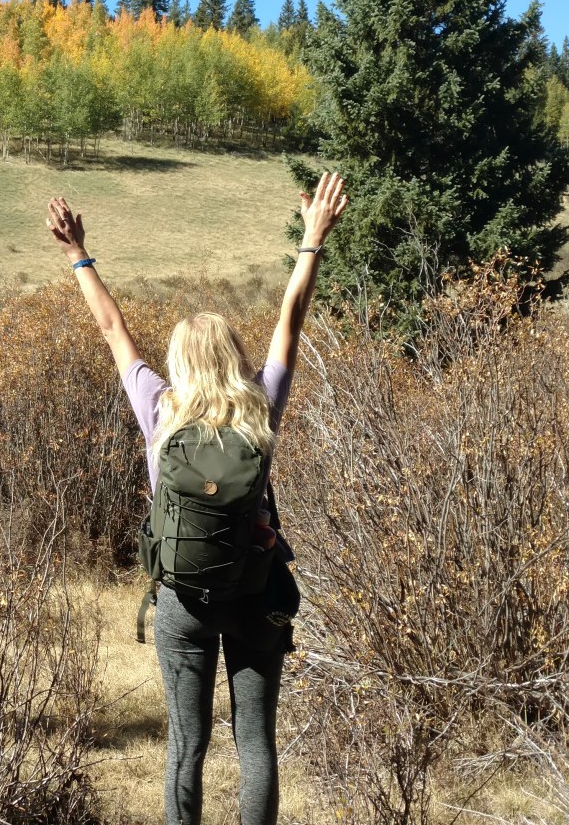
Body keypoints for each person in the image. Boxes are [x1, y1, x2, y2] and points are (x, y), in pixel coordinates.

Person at [46, 171, 347, 825]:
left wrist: (78, 253)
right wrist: (313, 240)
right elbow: (291, 319)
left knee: (186, 746)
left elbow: (111, 328)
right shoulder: (260, 406)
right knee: (255, 745)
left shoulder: (160, 409)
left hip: (181, 600)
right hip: (256, 593)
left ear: (179, 362)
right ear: (234, 357)